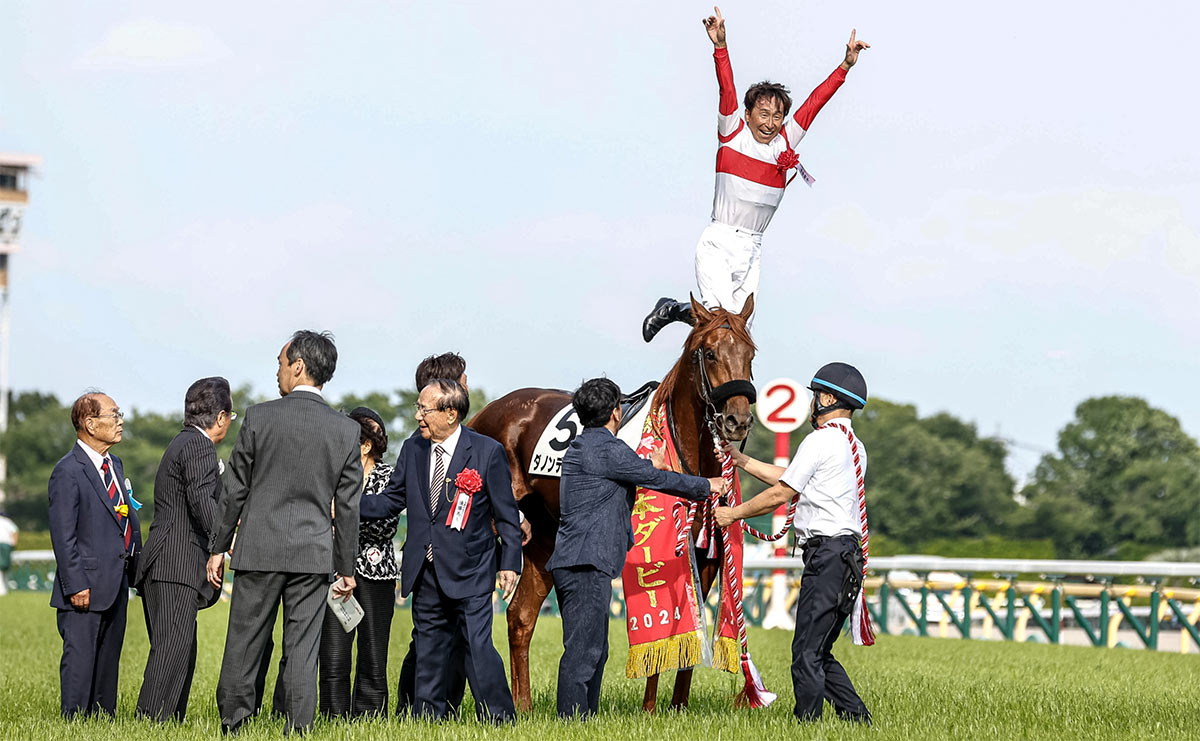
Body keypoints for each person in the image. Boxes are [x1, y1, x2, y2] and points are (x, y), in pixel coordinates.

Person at [642, 7, 870, 341]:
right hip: (720, 240)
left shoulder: (787, 139)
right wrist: (721, 46)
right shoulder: (733, 131)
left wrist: (845, 66)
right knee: (720, 325)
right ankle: (674, 312)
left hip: (753, 248)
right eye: (763, 114)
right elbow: (727, 89)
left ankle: (677, 314)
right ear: (747, 115)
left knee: (740, 334)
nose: (770, 123)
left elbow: (814, 104)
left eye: (777, 117)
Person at [208, 331, 363, 735]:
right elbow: (347, 507)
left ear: (297, 366)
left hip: (258, 548)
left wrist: (217, 548)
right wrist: (345, 566)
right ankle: (299, 728)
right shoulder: (346, 431)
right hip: (313, 555)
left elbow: (235, 489)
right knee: (302, 650)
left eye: (280, 363)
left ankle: (234, 723)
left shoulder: (259, 416)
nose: (277, 371)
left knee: (244, 642)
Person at [547, 378, 726, 718]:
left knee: (594, 650)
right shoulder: (608, 449)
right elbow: (658, 480)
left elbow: (640, 471)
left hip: (579, 560)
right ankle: (570, 720)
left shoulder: (585, 446)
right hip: (587, 562)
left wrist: (651, 466)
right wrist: (707, 485)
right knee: (584, 651)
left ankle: (584, 717)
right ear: (616, 412)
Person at [714, 362, 872, 723]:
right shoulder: (853, 446)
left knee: (805, 652)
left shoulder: (819, 440)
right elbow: (791, 476)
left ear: (828, 398)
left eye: (816, 396)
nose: (812, 403)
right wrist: (741, 461)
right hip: (846, 555)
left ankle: (807, 723)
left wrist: (733, 514)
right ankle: (858, 720)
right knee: (818, 650)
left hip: (828, 555)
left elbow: (782, 492)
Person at [360, 379, 522, 724]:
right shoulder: (412, 449)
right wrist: (345, 506)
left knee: (478, 648)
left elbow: (506, 514)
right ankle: (427, 719)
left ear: (451, 413)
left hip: (472, 569)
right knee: (429, 650)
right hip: (426, 569)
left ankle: (499, 718)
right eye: (418, 408)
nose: (418, 415)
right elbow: (391, 500)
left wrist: (510, 563)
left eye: (424, 409)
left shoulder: (485, 452)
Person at [134, 377, 235, 722]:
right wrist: (222, 545)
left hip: (165, 562)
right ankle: (150, 722)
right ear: (220, 417)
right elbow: (201, 501)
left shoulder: (181, 442)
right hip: (176, 562)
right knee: (171, 651)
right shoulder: (198, 447)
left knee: (179, 650)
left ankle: (167, 721)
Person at [47, 392, 142, 718]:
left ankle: (103, 719)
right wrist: (75, 584)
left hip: (115, 581)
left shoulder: (113, 463)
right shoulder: (67, 471)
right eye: (113, 415)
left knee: (108, 657)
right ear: (89, 423)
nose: (120, 421)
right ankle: (73, 721)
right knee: (81, 657)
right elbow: (63, 534)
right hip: (84, 585)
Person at [318, 407, 397, 718]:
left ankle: (370, 716)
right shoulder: (333, 475)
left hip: (378, 574)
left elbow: (386, 525)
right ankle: (333, 715)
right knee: (334, 653)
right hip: (336, 572)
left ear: (365, 445)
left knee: (374, 653)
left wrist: (344, 513)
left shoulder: (388, 476)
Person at [0, 510, 16, 596]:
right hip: (5, 545)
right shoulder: (8, 522)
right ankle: (3, 589)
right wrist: (14, 544)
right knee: (4, 567)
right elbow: (14, 532)